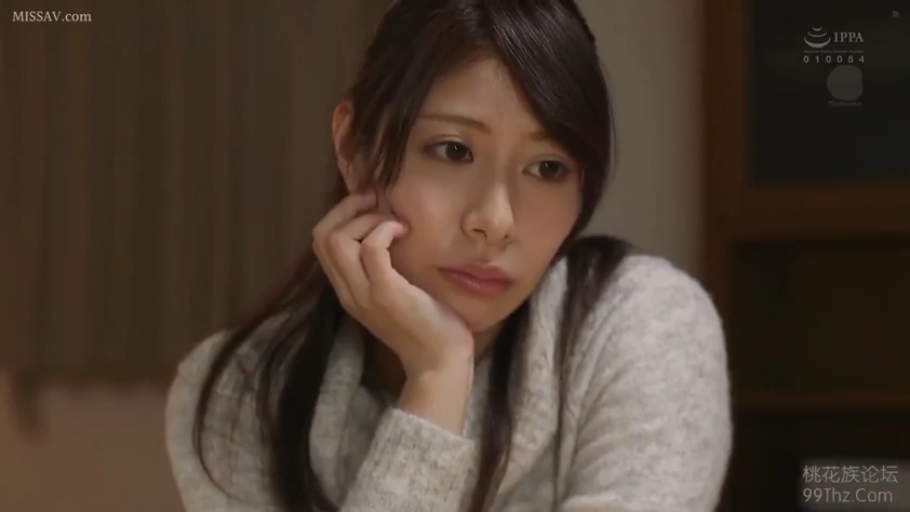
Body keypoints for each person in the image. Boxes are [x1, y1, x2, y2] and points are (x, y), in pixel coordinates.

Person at [164, 1, 732, 511]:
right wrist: (437, 381)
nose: (495, 222)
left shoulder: (644, 328)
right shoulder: (239, 392)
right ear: (354, 148)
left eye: (548, 167)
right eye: (454, 150)